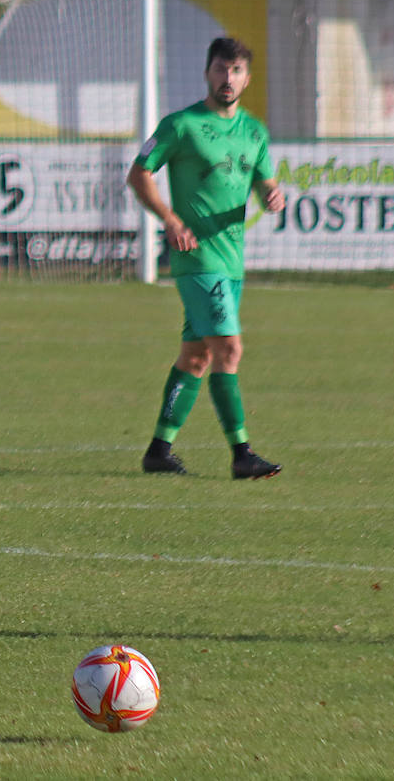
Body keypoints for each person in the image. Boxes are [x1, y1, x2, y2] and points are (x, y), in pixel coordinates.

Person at [126, 36, 286, 480]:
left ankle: (159, 449)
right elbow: (138, 174)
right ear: (206, 72)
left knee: (195, 358)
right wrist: (170, 219)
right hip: (197, 259)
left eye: (236, 71)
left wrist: (271, 194)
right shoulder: (182, 125)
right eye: (220, 69)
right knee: (228, 349)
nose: (227, 78)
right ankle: (242, 454)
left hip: (232, 260)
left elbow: (263, 180)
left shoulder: (256, 131)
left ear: (247, 79)